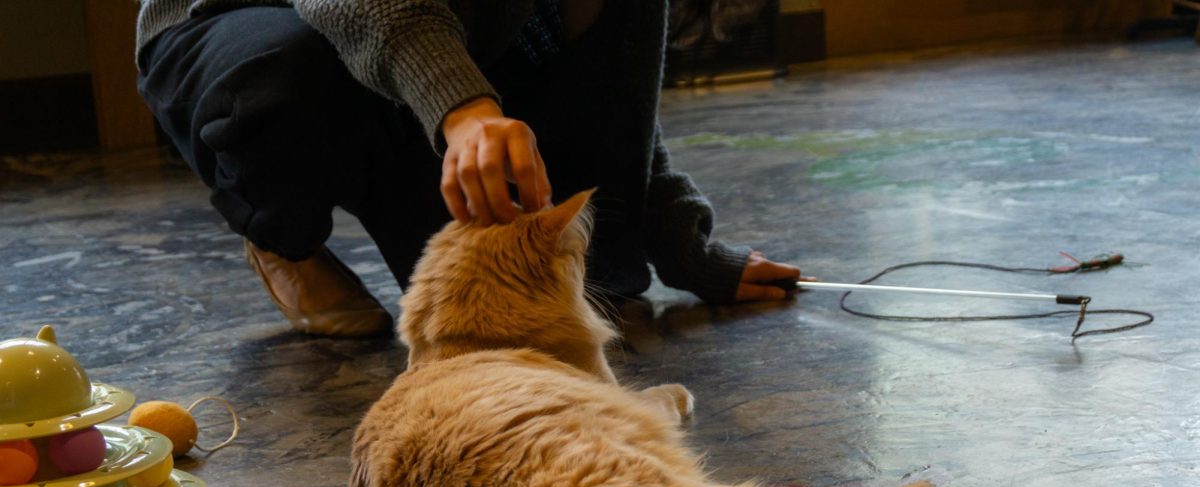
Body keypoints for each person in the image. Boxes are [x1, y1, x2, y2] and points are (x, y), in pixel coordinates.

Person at [136, 0, 803, 337]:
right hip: (245, 24)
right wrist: (464, 109)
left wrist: (683, 245)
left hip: (456, 22)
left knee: (591, 289)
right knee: (291, 79)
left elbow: (616, 89)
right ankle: (279, 232)